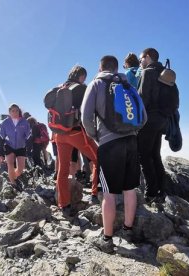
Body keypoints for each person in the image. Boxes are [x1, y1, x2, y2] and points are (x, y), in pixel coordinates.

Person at [81, 55, 145, 253]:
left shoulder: (97, 84)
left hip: (109, 143)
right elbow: (144, 116)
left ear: (100, 67)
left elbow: (85, 116)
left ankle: (107, 239)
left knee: (108, 192)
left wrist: (97, 136)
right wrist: (132, 132)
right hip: (131, 141)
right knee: (130, 188)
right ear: (116, 68)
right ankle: (127, 230)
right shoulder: (128, 85)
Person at [47, 65, 99, 215]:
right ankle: (95, 194)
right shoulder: (81, 88)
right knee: (98, 158)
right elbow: (87, 112)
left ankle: (64, 204)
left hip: (58, 134)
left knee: (63, 170)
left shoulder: (58, 87)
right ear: (81, 76)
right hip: (76, 133)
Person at [137, 48, 170, 203]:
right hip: (162, 120)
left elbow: (142, 99)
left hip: (148, 120)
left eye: (141, 59)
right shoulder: (165, 72)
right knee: (155, 155)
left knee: (144, 155)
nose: (140, 62)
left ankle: (151, 192)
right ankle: (162, 191)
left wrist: (137, 122)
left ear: (148, 57)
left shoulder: (148, 72)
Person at [0, 103, 31, 190]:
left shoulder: (24, 121)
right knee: (10, 164)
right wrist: (0, 152)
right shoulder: (5, 123)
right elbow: (1, 138)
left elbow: (28, 136)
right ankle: (13, 183)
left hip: (21, 146)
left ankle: (14, 177)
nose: (15, 112)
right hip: (9, 145)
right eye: (13, 111)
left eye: (16, 110)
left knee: (20, 169)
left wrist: (29, 148)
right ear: (9, 112)